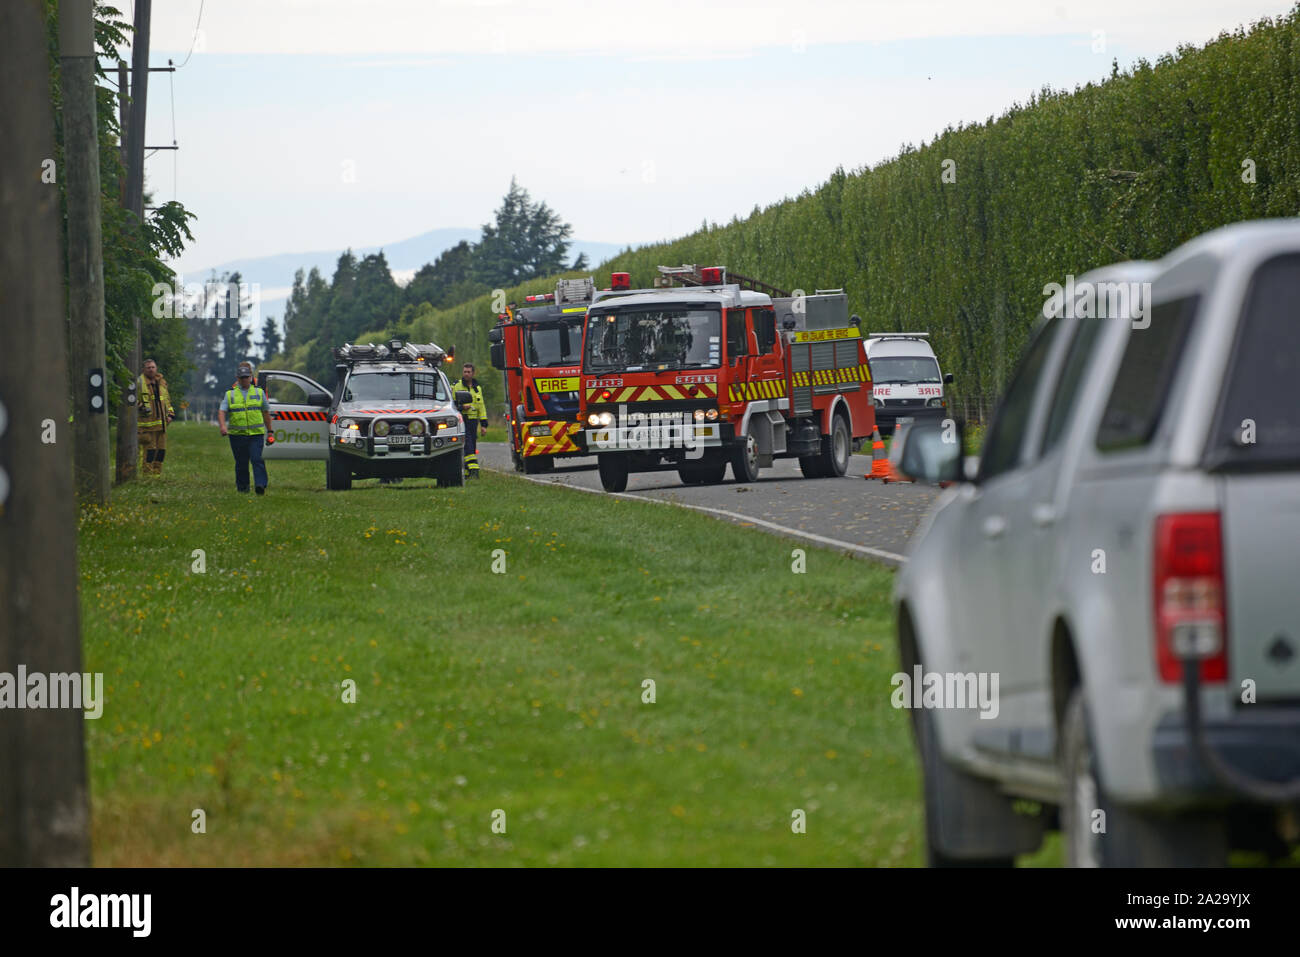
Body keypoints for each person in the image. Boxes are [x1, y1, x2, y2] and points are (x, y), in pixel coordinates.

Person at [217, 362, 274, 494]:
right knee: (241, 463)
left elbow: (266, 412)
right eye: (241, 377)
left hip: (256, 434)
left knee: (257, 459)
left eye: (246, 377)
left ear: (251, 377)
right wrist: (222, 426)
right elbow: (221, 411)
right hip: (237, 435)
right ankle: (243, 488)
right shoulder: (230, 394)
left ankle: (260, 485)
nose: (244, 380)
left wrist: (270, 432)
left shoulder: (259, 392)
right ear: (237, 378)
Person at [137, 358, 174, 475]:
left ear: (156, 368)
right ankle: (147, 475)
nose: (151, 370)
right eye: (148, 368)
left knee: (161, 451)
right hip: (147, 425)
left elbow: (167, 400)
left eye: (153, 367)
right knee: (150, 451)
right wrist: (141, 407)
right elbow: (132, 400)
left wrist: (170, 414)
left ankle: (157, 475)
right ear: (144, 370)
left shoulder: (162, 383)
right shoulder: (139, 383)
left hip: (162, 424)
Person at [452, 362, 489, 478]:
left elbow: (481, 407)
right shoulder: (456, 386)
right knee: (467, 445)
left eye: (469, 372)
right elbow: (451, 405)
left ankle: (467, 472)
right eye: (465, 372)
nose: (466, 374)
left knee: (472, 446)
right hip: (462, 420)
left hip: (474, 422)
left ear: (473, 373)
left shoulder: (478, 389)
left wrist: (484, 425)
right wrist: (462, 407)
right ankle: (474, 471)